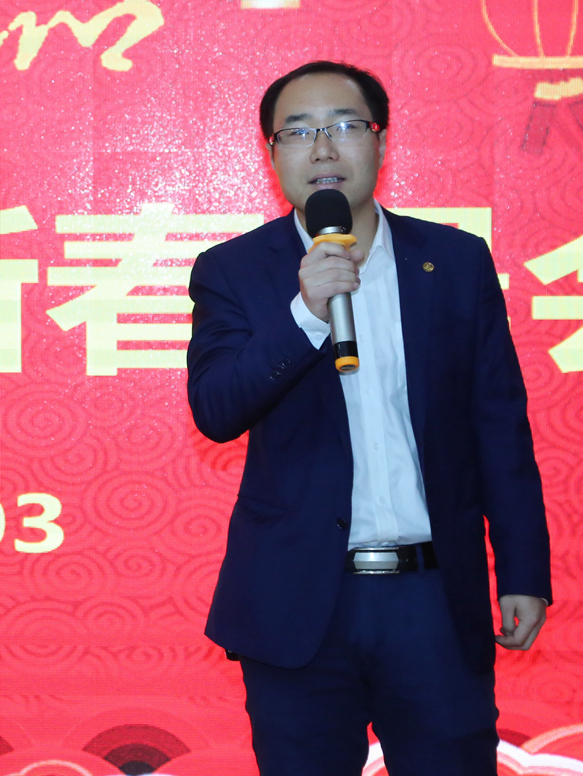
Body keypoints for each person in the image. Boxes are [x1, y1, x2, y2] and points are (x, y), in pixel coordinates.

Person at [187, 60, 552, 776]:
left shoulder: (454, 261)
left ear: (381, 142)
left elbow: (499, 428)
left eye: (345, 126)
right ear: (272, 154)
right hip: (298, 605)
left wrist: (523, 570)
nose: (323, 148)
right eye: (299, 132)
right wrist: (305, 315)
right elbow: (217, 409)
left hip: (432, 600)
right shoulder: (233, 270)